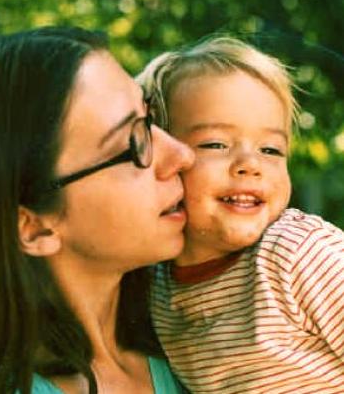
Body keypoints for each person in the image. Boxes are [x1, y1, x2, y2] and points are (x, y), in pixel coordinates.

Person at [0, 26, 195, 394]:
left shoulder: (204, 346)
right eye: (134, 145)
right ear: (34, 228)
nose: (182, 154)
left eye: (149, 119)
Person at [138, 36, 344, 393]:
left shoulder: (300, 254)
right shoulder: (155, 285)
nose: (250, 164)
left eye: (270, 149)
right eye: (216, 144)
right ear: (163, 154)